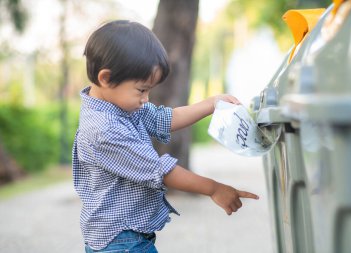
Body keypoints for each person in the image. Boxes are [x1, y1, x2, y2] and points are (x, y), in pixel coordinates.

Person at [72, 20, 259, 253]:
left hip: (128, 236)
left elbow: (164, 119)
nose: (146, 99)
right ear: (106, 78)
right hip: (120, 242)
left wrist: (212, 104)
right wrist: (214, 188)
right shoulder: (104, 129)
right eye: (142, 89)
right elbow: (160, 171)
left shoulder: (121, 105)